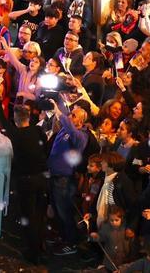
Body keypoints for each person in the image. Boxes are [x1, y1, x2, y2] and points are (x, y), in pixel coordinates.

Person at [0, 103, 49, 264]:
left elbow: (1, 119)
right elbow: (44, 146)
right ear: (29, 117)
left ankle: (33, 252)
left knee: (29, 217)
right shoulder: (37, 131)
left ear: (16, 119)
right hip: (42, 178)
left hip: (27, 181)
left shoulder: (16, 134)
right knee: (40, 215)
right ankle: (40, 246)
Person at [48, 99, 93, 255]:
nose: (69, 116)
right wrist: (57, 101)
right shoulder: (67, 129)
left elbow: (71, 130)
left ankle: (72, 243)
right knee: (57, 210)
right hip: (54, 176)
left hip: (64, 179)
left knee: (65, 212)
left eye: (73, 115)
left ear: (80, 122)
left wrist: (59, 113)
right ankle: (63, 237)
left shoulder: (81, 136)